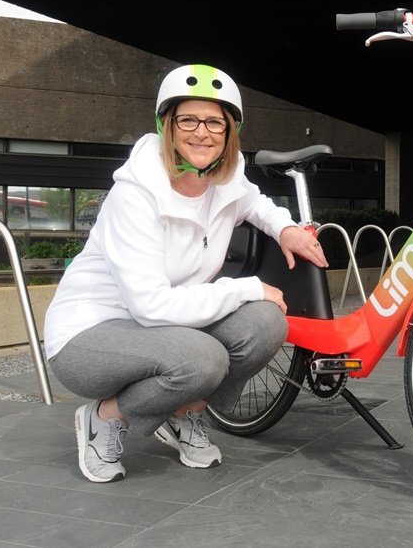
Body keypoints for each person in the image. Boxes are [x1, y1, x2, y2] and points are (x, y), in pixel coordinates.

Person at [43, 64, 328, 483]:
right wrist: (245, 287)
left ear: (230, 132)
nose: (202, 132)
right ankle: (105, 417)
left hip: (164, 327)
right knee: (202, 359)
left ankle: (183, 413)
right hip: (90, 334)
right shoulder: (135, 195)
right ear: (167, 127)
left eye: (215, 121)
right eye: (188, 119)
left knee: (267, 323)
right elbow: (151, 306)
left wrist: (285, 228)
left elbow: (256, 203)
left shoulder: (224, 181)